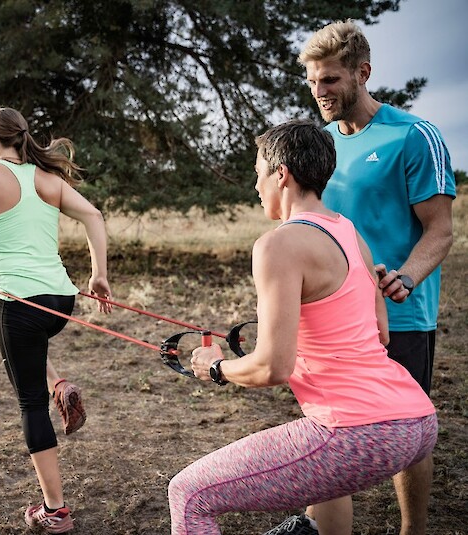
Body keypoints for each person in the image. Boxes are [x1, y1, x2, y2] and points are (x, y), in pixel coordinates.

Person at [167, 119, 438, 535]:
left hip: (356, 431)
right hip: (416, 421)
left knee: (188, 494)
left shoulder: (278, 244)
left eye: (258, 174)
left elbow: (272, 367)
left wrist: (214, 368)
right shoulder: (349, 231)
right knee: (325, 479)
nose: (256, 187)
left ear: (282, 174)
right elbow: (379, 333)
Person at [264, 20, 457, 535]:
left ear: (362, 73)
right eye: (311, 81)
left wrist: (407, 277)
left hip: (402, 312)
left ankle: (412, 529)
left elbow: (440, 231)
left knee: (408, 431)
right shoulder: (319, 144)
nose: (318, 92)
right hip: (333, 319)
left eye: (329, 80)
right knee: (328, 424)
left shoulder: (414, 136)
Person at [0, 106, 113, 533]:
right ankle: (60, 385)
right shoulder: (46, 178)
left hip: (20, 303)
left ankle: (56, 511)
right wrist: (99, 274)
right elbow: (94, 216)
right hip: (60, 301)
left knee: (29, 401)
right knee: (23, 357)